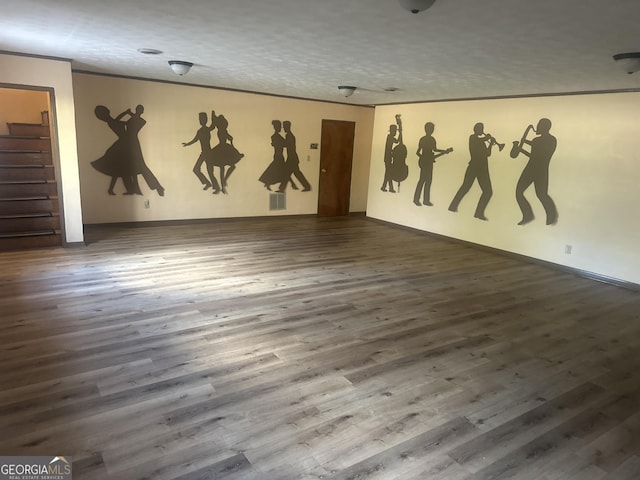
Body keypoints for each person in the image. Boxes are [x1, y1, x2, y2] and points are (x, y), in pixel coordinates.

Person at [515, 118, 558, 225]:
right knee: (519, 192)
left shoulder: (551, 140)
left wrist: (524, 144)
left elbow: (539, 154)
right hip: (531, 168)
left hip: (540, 170)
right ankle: (528, 215)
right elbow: (532, 155)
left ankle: (551, 216)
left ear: (544, 127)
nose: (537, 127)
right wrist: (522, 148)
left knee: (541, 194)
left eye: (539, 125)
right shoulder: (536, 140)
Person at [448, 122, 495, 220]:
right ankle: (453, 207)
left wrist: (491, 144)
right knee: (466, 187)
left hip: (482, 168)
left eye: (483, 128)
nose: (482, 130)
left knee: (487, 191)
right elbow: (478, 142)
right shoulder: (473, 138)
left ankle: (478, 212)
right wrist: (488, 138)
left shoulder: (481, 141)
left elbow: (487, 154)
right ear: (476, 129)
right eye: (481, 128)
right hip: (474, 166)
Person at [413, 122, 450, 206]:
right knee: (423, 180)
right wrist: (423, 158)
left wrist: (444, 151)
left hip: (428, 162)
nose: (432, 130)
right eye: (431, 128)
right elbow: (418, 152)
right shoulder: (426, 139)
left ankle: (425, 200)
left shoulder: (429, 139)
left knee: (428, 181)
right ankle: (416, 199)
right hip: (426, 162)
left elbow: (435, 150)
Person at [182, 111, 218, 192]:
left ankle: (215, 187)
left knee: (210, 172)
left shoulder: (206, 130)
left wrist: (213, 116)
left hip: (208, 153)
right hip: (204, 153)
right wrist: (187, 144)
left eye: (202, 119)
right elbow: (195, 140)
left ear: (205, 120)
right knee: (196, 169)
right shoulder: (200, 131)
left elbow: (213, 126)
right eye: (200, 119)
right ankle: (208, 183)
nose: (200, 121)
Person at [209, 111, 244, 194]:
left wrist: (231, 140)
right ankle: (223, 183)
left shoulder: (223, 130)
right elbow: (227, 137)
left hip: (224, 148)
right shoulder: (222, 131)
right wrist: (230, 139)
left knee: (229, 167)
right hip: (222, 149)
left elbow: (228, 137)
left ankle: (224, 181)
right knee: (223, 167)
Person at [278, 121, 311, 192]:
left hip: (291, 158)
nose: (283, 128)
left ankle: (281, 189)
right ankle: (307, 186)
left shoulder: (289, 136)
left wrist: (278, 143)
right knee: (295, 173)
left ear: (288, 127)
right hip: (292, 158)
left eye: (284, 126)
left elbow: (287, 145)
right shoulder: (290, 135)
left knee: (288, 173)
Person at [259, 120, 288, 190]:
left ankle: (268, 183)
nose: (280, 128)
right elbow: (283, 144)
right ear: (276, 127)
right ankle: (270, 183)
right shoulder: (275, 136)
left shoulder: (275, 136)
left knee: (274, 169)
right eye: (279, 127)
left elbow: (279, 144)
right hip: (279, 155)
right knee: (280, 171)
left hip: (278, 155)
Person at [380, 123, 399, 193]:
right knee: (388, 172)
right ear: (392, 131)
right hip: (388, 158)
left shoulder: (389, 137)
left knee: (388, 173)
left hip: (388, 158)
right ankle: (388, 187)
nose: (395, 133)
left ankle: (385, 187)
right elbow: (397, 141)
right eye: (395, 131)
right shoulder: (390, 137)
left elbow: (396, 142)